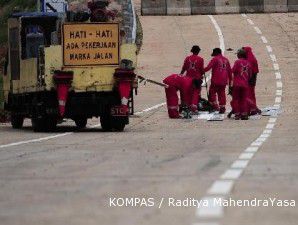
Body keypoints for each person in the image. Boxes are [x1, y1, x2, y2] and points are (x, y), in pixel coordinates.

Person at [204, 48, 232, 114]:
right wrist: (230, 82)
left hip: (216, 80)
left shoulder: (215, 59)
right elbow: (230, 72)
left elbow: (208, 68)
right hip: (224, 80)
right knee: (222, 93)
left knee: (212, 92)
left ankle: (215, 106)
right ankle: (222, 107)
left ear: (216, 53)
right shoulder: (226, 60)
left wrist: (201, 70)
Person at [231, 49, 253, 120]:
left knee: (236, 99)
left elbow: (233, 70)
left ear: (239, 55)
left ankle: (237, 114)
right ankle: (244, 114)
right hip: (245, 84)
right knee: (244, 99)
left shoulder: (237, 62)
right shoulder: (248, 63)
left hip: (237, 84)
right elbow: (250, 75)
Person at [180, 45, 204, 110]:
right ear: (198, 51)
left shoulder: (187, 58)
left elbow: (184, 68)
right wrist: (201, 75)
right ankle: (194, 106)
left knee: (189, 92)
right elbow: (201, 70)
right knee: (196, 92)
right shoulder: (200, 59)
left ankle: (188, 105)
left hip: (188, 79)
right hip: (197, 78)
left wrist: (180, 75)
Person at [243, 46, 261, 115]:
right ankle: (253, 108)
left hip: (250, 78)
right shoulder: (253, 57)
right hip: (254, 77)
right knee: (252, 94)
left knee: (248, 94)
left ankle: (251, 108)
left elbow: (248, 70)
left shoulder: (248, 59)